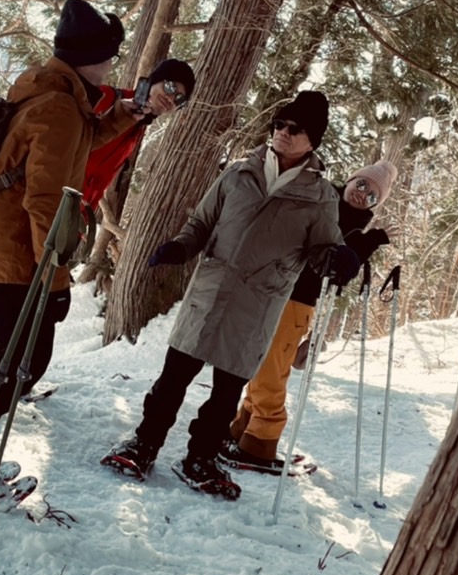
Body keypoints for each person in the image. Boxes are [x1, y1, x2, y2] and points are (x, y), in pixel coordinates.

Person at [0, 0, 157, 484]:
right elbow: (45, 201)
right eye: (107, 57)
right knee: (19, 366)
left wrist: (127, 114)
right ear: (90, 58)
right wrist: (56, 278)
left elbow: (75, 143)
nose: (110, 65)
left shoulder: (43, 91)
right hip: (17, 260)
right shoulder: (62, 108)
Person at [101, 89, 358, 498]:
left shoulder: (321, 195)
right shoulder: (240, 172)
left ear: (313, 141)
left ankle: (200, 458)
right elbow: (202, 222)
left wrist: (336, 260)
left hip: (257, 302)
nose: (283, 134)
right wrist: (182, 247)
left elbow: (322, 250)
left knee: (225, 394)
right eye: (279, 124)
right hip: (210, 288)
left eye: (295, 129)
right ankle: (144, 444)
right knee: (172, 379)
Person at [222, 159, 399, 473]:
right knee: (265, 364)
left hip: (297, 301)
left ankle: (253, 434)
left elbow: (342, 264)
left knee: (272, 366)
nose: (362, 195)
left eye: (372, 195)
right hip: (276, 290)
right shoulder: (324, 200)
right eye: (361, 185)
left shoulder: (357, 227)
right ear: (352, 180)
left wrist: (369, 241)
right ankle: (251, 436)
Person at [82, 59, 195, 215]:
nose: (170, 98)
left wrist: (81, 222)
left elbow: (99, 182)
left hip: (70, 220)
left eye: (179, 99)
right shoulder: (105, 97)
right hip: (48, 203)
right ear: (155, 79)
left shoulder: (138, 130)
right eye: (170, 87)